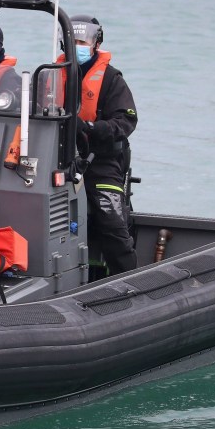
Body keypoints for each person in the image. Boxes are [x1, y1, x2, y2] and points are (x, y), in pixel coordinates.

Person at [71, 14, 138, 275]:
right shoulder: (52, 75)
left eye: (82, 40)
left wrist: (90, 128)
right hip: (62, 160)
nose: (78, 45)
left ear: (95, 43)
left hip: (102, 161)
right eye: (73, 40)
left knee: (111, 222)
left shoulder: (111, 79)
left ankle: (129, 280)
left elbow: (126, 121)